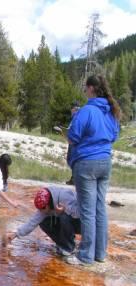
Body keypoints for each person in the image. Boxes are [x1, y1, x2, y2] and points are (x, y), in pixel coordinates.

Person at [66, 75, 120, 266]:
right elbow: (114, 136)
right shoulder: (111, 111)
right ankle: (100, 253)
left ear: (90, 89)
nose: (84, 91)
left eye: (85, 88)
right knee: (99, 209)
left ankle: (85, 255)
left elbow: (72, 137)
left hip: (86, 163)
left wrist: (75, 118)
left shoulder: (86, 110)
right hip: (105, 161)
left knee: (87, 211)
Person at [7, 188, 81, 258]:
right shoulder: (46, 202)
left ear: (48, 204)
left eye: (43, 209)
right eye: (39, 209)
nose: (41, 211)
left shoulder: (65, 197)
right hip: (68, 221)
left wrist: (63, 212)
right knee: (43, 221)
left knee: (65, 216)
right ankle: (62, 244)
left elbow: (83, 213)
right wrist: (15, 234)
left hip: (81, 224)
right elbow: (33, 222)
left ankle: (69, 248)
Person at [65, 101, 80, 185]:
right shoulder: (79, 116)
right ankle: (74, 178)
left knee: (72, 160)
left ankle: (74, 179)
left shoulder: (76, 117)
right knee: (72, 160)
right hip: (75, 141)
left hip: (74, 142)